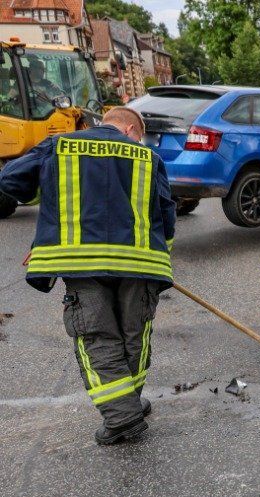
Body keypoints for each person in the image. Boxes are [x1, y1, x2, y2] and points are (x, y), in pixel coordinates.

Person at [0, 107, 176, 445]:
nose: (139, 142)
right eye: (139, 135)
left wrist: (48, 203)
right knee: (133, 334)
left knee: (97, 335)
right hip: (140, 263)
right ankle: (128, 404)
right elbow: (166, 212)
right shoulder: (149, 158)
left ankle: (122, 416)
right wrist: (161, 255)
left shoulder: (59, 146)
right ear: (128, 128)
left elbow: (10, 180)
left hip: (81, 261)